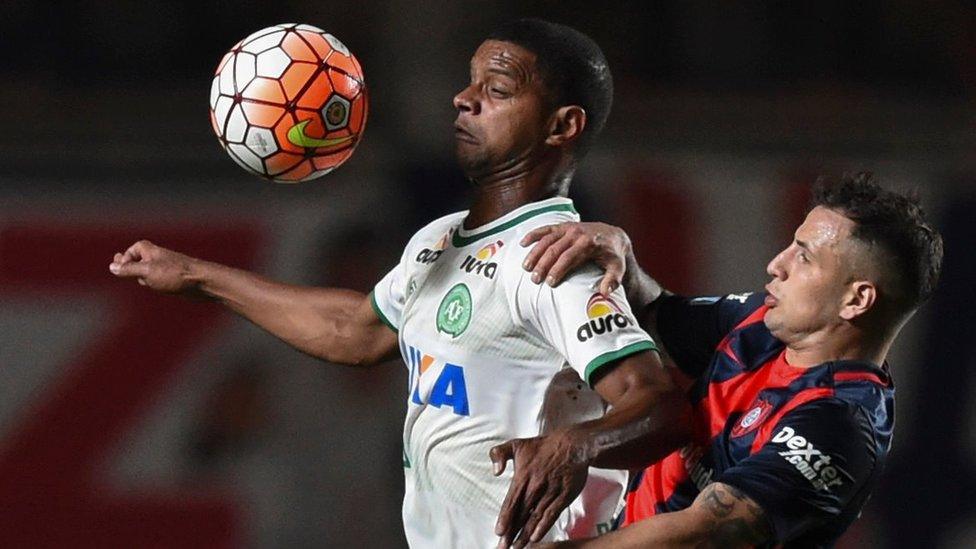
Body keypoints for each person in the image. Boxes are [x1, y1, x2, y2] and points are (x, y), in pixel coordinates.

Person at [109, 19, 690, 548]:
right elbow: (353, 331)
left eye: (498, 90)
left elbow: (660, 403)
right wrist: (195, 276)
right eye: (470, 83)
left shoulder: (557, 258)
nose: (464, 99)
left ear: (562, 125)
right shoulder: (438, 240)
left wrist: (579, 443)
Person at [513, 172, 943, 547]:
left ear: (857, 299)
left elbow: (705, 533)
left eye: (805, 257)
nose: (777, 265)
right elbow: (660, 315)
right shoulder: (762, 324)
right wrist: (622, 255)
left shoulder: (839, 423)